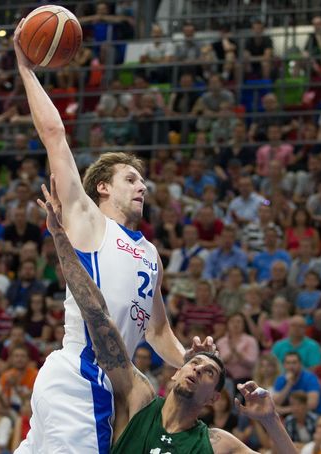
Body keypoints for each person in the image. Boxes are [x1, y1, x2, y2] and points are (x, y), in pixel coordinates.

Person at [13, 20, 210, 453]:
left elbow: (158, 332)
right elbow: (55, 136)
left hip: (96, 383)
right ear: (103, 187)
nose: (142, 186)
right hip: (83, 375)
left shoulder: (151, 254)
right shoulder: (88, 220)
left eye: (143, 181)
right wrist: (27, 70)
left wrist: (194, 360)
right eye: (130, 178)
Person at [38, 183, 298, 454]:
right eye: (194, 363)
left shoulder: (216, 443)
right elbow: (97, 316)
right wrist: (59, 236)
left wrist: (271, 419)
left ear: (213, 398)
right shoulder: (139, 398)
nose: (197, 369)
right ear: (176, 373)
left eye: (209, 372)